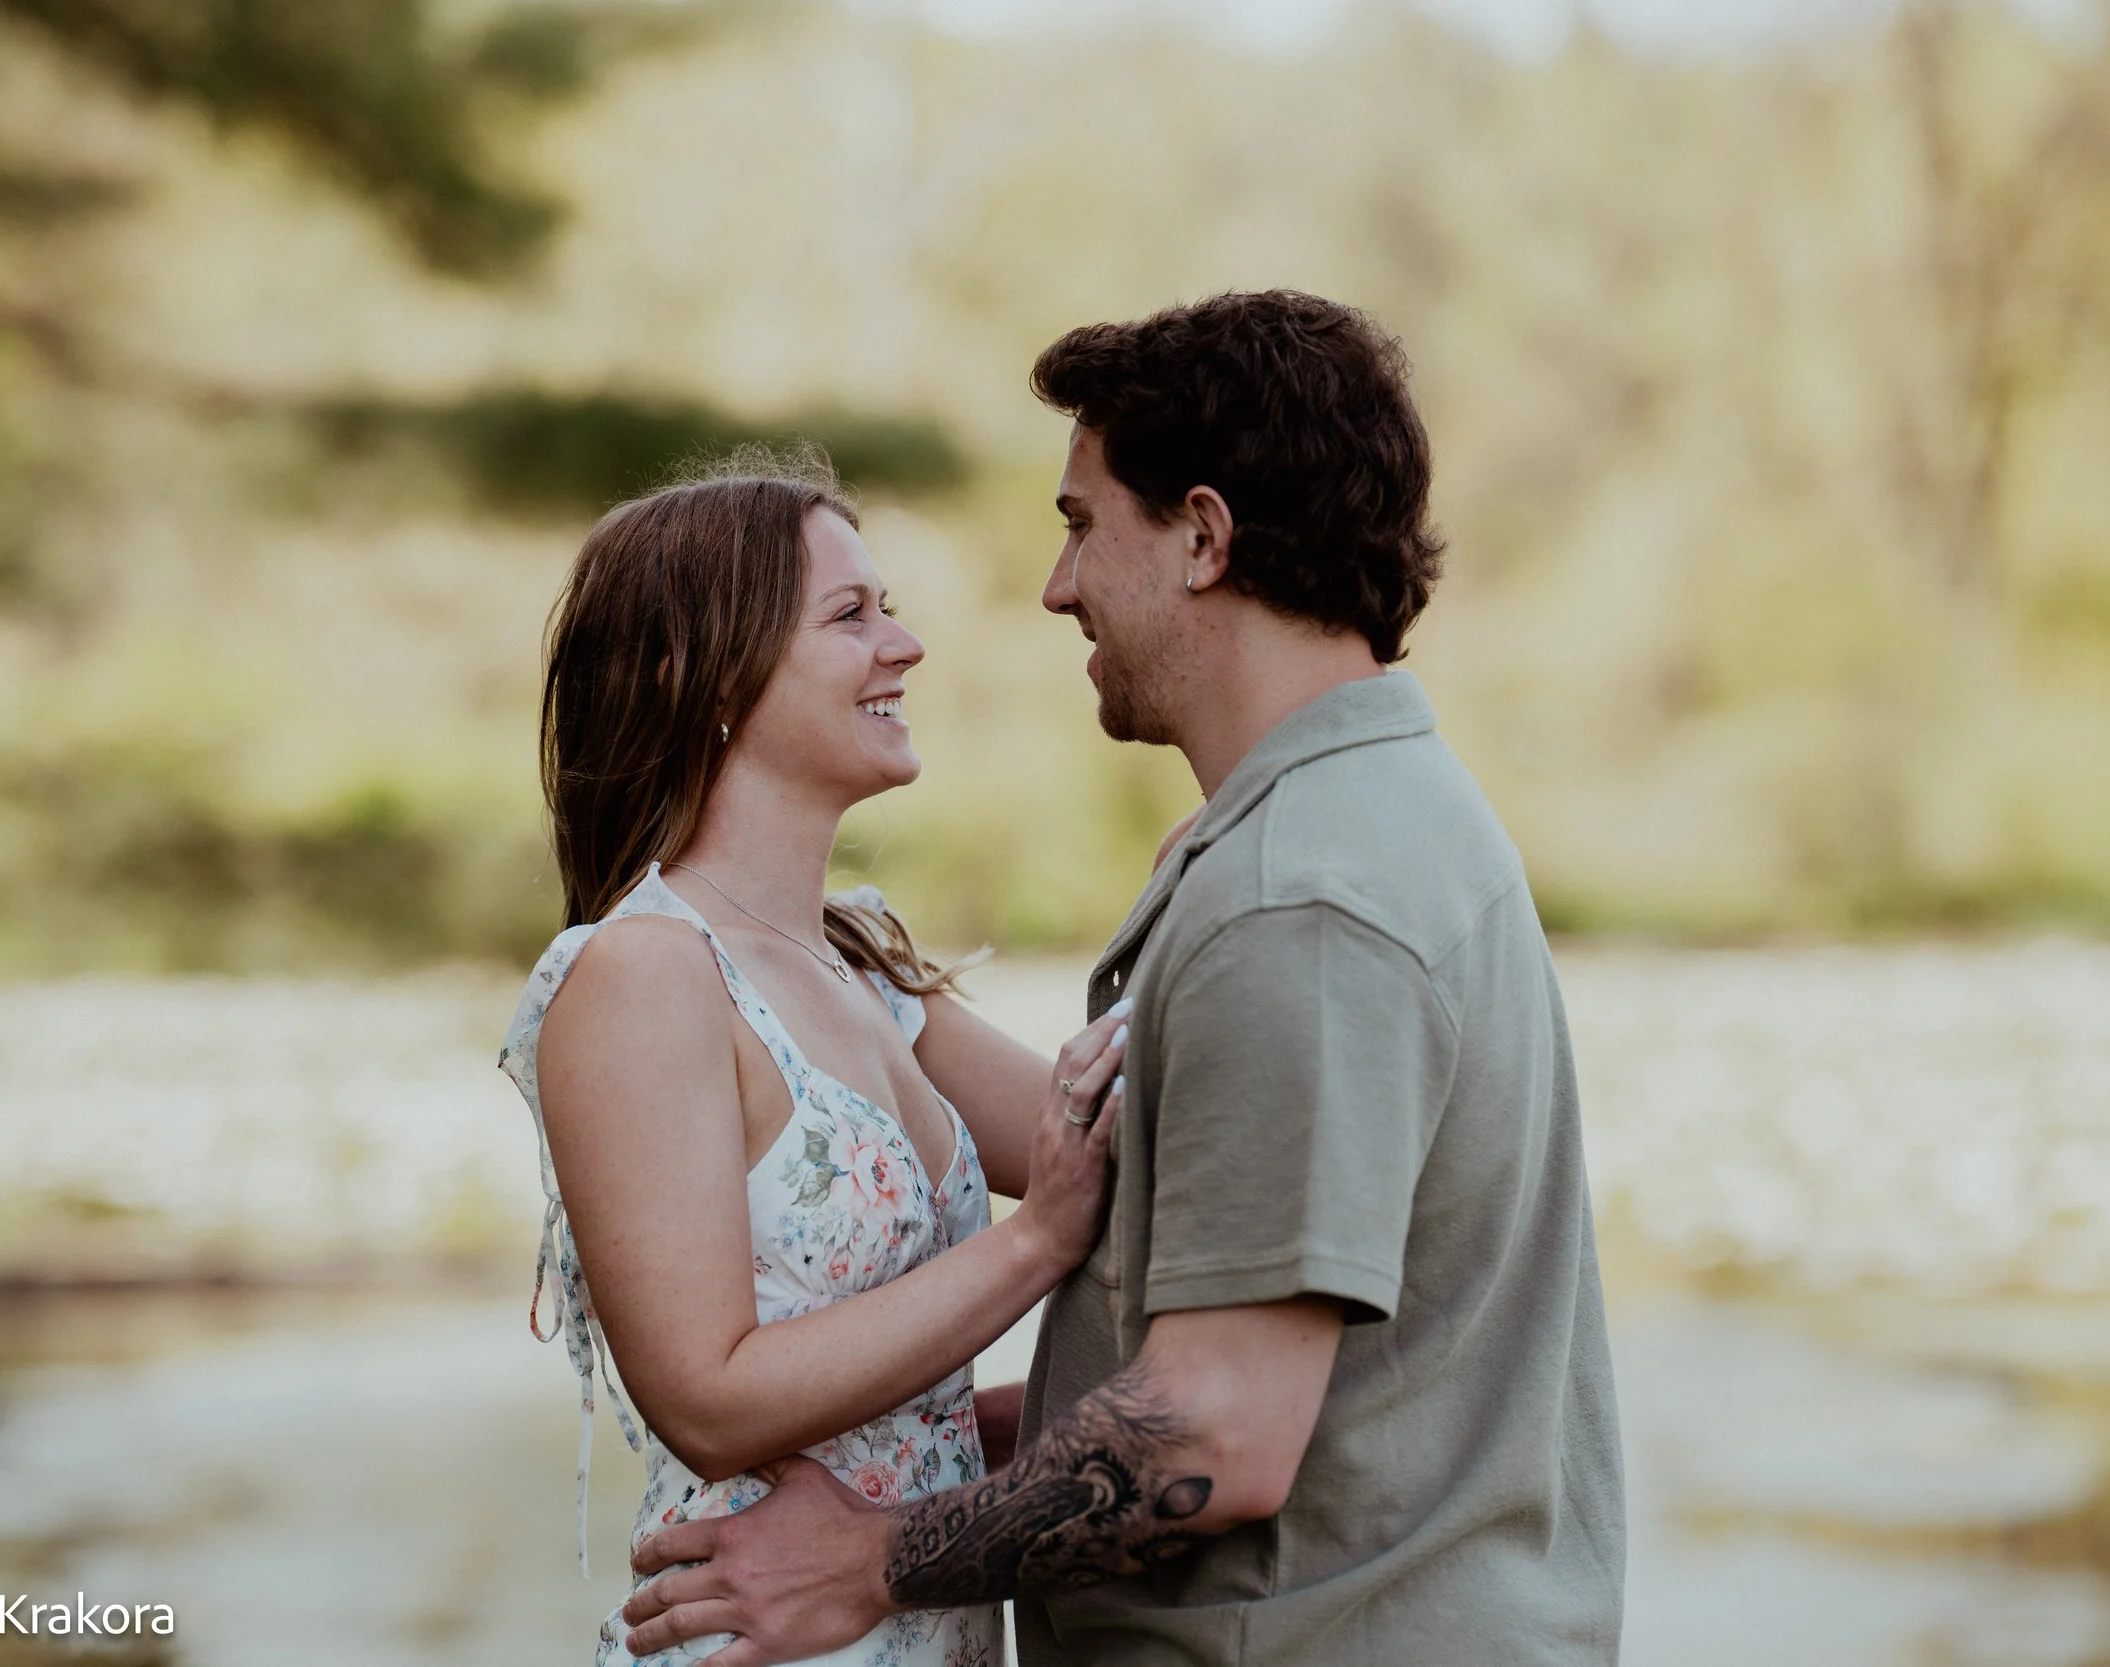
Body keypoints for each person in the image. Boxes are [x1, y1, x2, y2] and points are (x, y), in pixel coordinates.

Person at [617, 292, 1628, 1666]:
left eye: (1084, 524)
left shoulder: (1300, 895)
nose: (1056, 583)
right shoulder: (1365, 824)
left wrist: (870, 1559)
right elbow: (1281, 1359)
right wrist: (939, 1439)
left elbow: (1215, 1433)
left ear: (1204, 536)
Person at [498, 452, 1137, 1667]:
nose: (905, 645)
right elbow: (711, 1394)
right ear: (707, 676)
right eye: (852, 615)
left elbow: (1112, 1134)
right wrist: (1030, 1244)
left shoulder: (864, 961)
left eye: (885, 607)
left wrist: (1213, 892)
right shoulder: (643, 974)